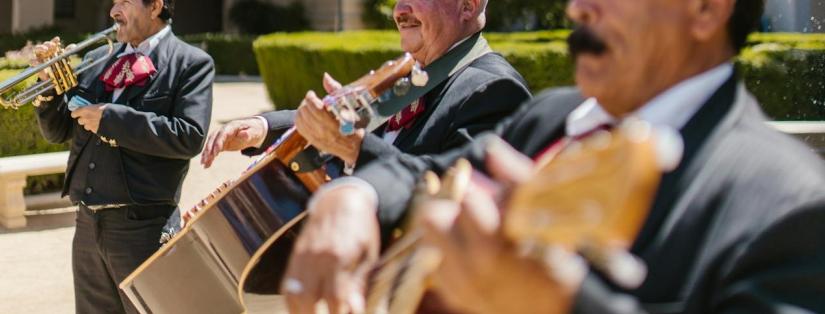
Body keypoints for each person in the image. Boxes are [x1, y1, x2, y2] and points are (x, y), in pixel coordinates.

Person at [282, 0, 825, 313]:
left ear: (705, 9)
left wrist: (559, 300)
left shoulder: (791, 208)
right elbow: (427, 169)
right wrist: (355, 195)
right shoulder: (550, 116)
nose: (577, 8)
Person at [198, 0, 530, 177]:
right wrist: (261, 128)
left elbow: (456, 204)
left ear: (468, 6)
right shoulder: (412, 70)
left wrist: (357, 149)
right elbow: (342, 121)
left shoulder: (494, 90)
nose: (399, 10)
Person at [31, 0, 213, 312]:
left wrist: (112, 119)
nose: (114, 10)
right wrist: (47, 86)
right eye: (113, 2)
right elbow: (59, 131)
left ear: (155, 6)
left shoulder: (191, 63)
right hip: (87, 224)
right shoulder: (96, 58)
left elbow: (189, 135)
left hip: (144, 228)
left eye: (125, 2)